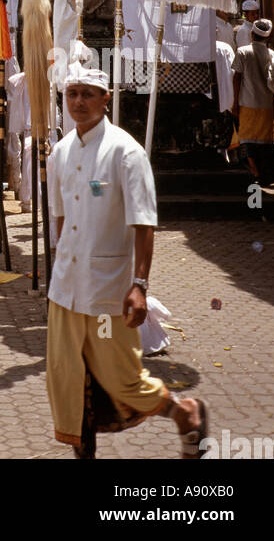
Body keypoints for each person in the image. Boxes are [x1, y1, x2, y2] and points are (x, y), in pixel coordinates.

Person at [45, 61, 207, 459]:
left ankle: (184, 412)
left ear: (106, 98)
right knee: (65, 378)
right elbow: (61, 218)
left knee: (122, 377)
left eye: (87, 94)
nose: (79, 102)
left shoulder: (126, 152)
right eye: (72, 94)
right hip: (65, 290)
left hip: (106, 294)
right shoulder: (60, 153)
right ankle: (84, 452)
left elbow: (143, 223)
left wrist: (139, 285)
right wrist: (56, 269)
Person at [232, 18, 274, 188]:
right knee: (265, 141)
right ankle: (265, 173)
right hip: (266, 104)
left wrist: (235, 101)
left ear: (252, 34)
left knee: (246, 139)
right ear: (267, 37)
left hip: (247, 102)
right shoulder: (272, 54)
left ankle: (255, 172)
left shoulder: (243, 52)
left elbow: (237, 77)